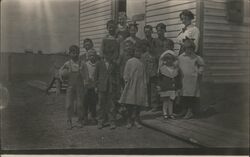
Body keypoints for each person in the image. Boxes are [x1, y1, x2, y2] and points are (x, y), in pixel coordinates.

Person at [119, 40, 148, 129]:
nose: (138, 53)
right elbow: (126, 73)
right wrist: (126, 81)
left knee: (137, 103)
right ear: (133, 52)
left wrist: (145, 83)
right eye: (136, 52)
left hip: (139, 86)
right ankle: (129, 120)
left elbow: (144, 74)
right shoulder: (130, 61)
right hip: (131, 86)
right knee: (130, 103)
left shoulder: (142, 63)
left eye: (139, 52)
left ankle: (136, 120)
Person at [59, 45, 88, 129]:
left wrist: (85, 85)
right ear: (70, 53)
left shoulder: (82, 63)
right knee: (68, 105)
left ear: (78, 53)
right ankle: (69, 121)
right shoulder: (67, 63)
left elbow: (86, 76)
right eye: (72, 52)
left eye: (76, 52)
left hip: (80, 86)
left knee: (79, 105)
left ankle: (80, 120)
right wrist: (62, 78)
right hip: (70, 86)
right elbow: (60, 71)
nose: (74, 54)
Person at [178, 39, 205, 119]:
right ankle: (184, 110)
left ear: (193, 49)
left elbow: (202, 65)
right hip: (183, 79)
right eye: (187, 48)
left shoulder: (196, 57)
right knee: (183, 96)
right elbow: (177, 65)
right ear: (184, 48)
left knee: (191, 96)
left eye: (191, 48)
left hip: (193, 80)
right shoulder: (181, 57)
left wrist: (199, 71)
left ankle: (190, 112)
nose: (189, 50)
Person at [94, 53, 120, 130]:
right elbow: (96, 76)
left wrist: (117, 86)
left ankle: (112, 122)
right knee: (100, 104)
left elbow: (117, 76)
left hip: (111, 87)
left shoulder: (114, 64)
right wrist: (96, 86)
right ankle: (100, 122)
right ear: (103, 54)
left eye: (110, 54)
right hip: (101, 87)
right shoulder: (99, 63)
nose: (108, 55)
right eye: (106, 53)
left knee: (111, 105)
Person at [157, 50, 182, 119]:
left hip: (172, 87)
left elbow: (178, 79)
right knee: (165, 101)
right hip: (165, 87)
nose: (168, 61)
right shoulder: (162, 69)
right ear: (164, 60)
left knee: (171, 100)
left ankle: (170, 113)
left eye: (170, 59)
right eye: (167, 59)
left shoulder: (175, 69)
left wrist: (179, 87)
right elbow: (159, 78)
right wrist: (159, 86)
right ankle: (165, 113)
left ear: (173, 60)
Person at [82, 49, 98, 125]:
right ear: (88, 56)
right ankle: (85, 118)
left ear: (95, 56)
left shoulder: (97, 64)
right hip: (86, 86)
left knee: (93, 103)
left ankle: (93, 117)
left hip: (94, 86)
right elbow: (83, 74)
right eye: (90, 55)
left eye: (93, 55)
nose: (92, 57)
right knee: (85, 103)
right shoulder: (85, 64)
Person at [141, 42, 158, 110]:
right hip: (146, 75)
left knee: (153, 90)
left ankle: (154, 105)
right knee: (146, 90)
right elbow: (142, 66)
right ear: (147, 48)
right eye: (148, 47)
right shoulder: (143, 56)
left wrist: (156, 72)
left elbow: (156, 65)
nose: (150, 48)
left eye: (151, 47)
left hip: (153, 75)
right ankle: (147, 105)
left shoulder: (155, 56)